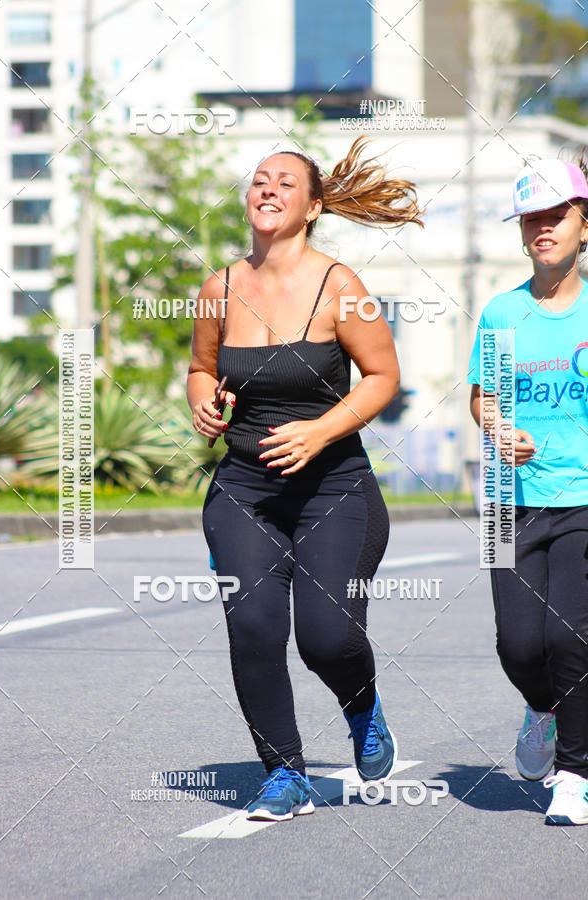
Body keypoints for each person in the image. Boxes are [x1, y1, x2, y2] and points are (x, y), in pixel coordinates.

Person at [187, 136, 423, 821]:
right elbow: (202, 366)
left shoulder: (338, 286)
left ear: (313, 206)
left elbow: (384, 377)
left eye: (285, 183)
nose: (267, 190)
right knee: (254, 626)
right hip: (245, 490)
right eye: (260, 180)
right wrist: (203, 399)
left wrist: (321, 430)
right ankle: (285, 773)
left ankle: (363, 707)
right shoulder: (220, 287)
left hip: (334, 488)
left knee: (327, 637)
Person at [468, 154, 588, 826]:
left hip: (583, 498)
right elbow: (483, 400)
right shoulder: (502, 313)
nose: (542, 227)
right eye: (530, 219)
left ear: (583, 225)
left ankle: (575, 772)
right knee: (518, 644)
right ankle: (542, 708)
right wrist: (499, 429)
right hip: (508, 499)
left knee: (570, 637)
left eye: (556, 215)